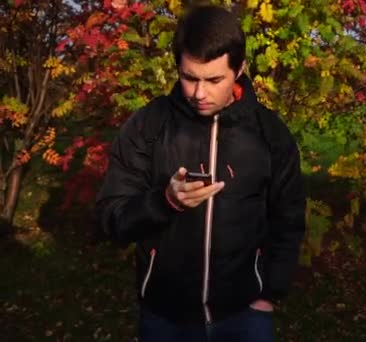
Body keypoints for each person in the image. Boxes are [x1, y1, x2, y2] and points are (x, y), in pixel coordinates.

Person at [95, 5, 305, 342]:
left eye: (213, 79)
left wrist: (270, 294)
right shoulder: (148, 126)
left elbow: (289, 219)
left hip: (244, 317)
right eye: (189, 77)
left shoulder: (270, 135)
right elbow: (110, 218)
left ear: (240, 71)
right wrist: (164, 201)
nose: (199, 93)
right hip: (164, 318)